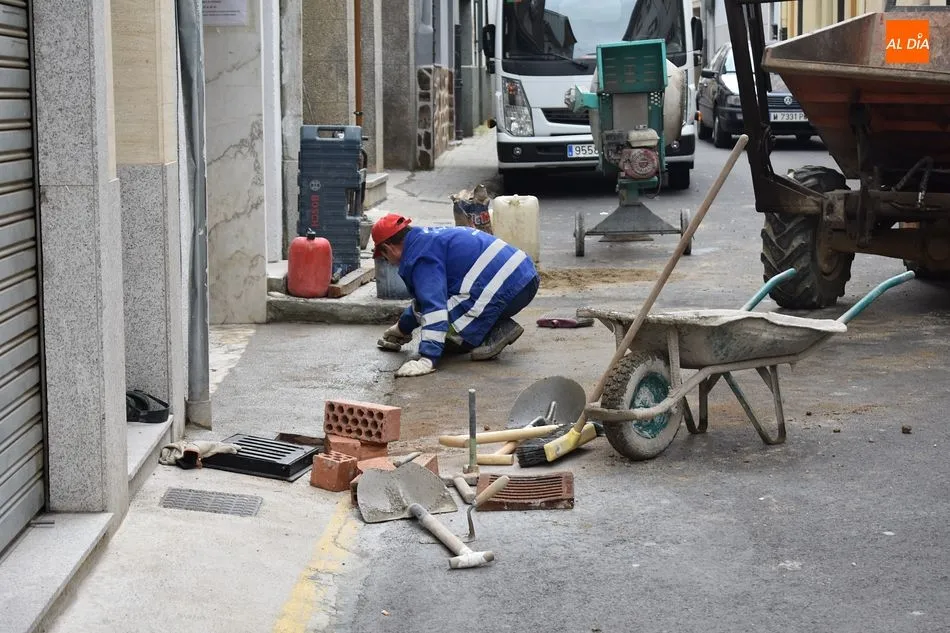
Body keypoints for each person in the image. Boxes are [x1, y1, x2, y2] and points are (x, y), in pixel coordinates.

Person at [372, 213, 540, 378]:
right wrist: (402, 329)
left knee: (450, 332)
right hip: (522, 276)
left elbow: (434, 308)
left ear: (388, 248)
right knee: (446, 328)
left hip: (510, 286)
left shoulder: (419, 256)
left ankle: (497, 329)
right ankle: (485, 327)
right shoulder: (425, 240)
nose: (389, 262)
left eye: (385, 257)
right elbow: (425, 301)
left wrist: (427, 359)